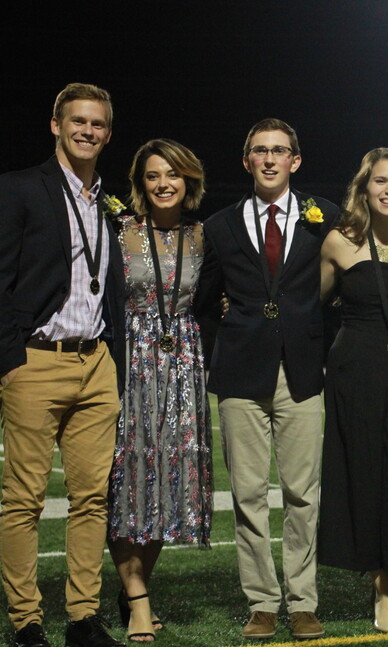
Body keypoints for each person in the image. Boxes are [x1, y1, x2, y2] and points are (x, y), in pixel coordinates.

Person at [194, 118, 338, 642]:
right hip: (240, 375)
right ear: (247, 161)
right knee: (248, 494)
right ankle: (261, 602)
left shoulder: (327, 217)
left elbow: (343, 292)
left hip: (302, 373)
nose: (271, 159)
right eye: (260, 151)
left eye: (280, 151)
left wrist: (325, 350)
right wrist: (227, 343)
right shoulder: (219, 226)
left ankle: (303, 601)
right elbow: (204, 302)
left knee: (304, 493)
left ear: (295, 161)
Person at [0, 83, 125, 647]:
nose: (87, 131)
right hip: (37, 360)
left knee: (92, 496)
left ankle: (82, 616)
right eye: (77, 121)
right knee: (23, 498)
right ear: (56, 124)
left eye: (97, 124)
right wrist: (9, 361)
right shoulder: (20, 188)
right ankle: (26, 619)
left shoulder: (109, 199)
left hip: (96, 362)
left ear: (107, 132)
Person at [318, 148, 388, 634]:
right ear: (364, 189)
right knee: (361, 472)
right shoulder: (339, 242)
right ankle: (381, 585)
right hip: (354, 368)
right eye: (381, 181)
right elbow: (311, 307)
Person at [107, 139, 213, 643]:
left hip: (184, 363)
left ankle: (134, 589)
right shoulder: (119, 231)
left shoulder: (202, 235)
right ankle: (138, 600)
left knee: (170, 483)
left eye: (172, 174)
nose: (163, 184)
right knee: (129, 479)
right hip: (132, 363)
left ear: (188, 180)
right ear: (140, 182)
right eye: (152, 176)